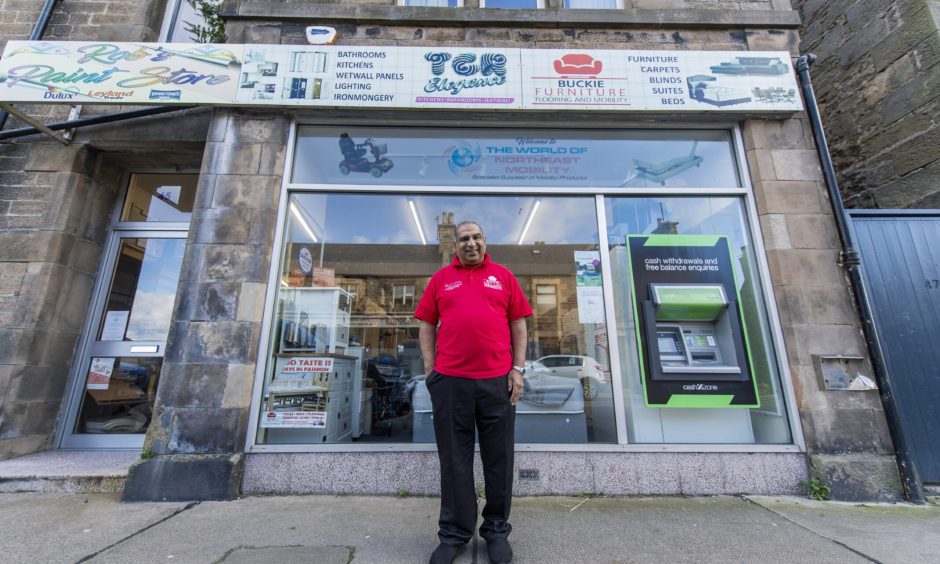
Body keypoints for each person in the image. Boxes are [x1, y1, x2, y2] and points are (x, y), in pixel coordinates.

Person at [414, 220, 532, 564]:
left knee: (500, 460)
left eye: (476, 237)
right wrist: (430, 371)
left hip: (498, 382)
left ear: (485, 241)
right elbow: (425, 324)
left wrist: (518, 369)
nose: (471, 243)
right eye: (464, 239)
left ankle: (496, 531)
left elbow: (519, 323)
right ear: (455, 246)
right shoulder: (441, 279)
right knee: (454, 461)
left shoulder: (504, 276)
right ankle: (454, 534)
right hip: (451, 383)